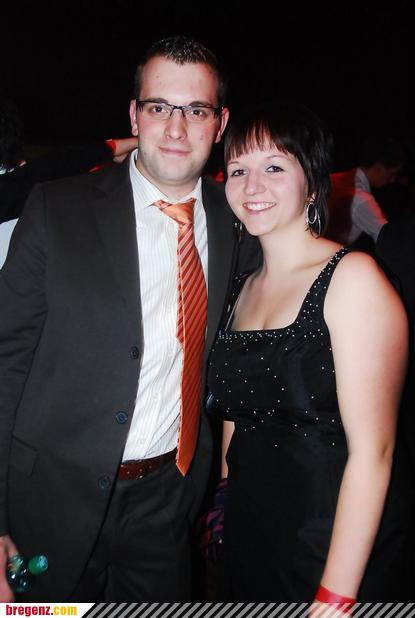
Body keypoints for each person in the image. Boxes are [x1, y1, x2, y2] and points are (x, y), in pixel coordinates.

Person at [0, 35, 256, 602]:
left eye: (196, 110)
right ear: (135, 115)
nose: (176, 128)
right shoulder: (56, 208)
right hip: (48, 499)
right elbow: (4, 363)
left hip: (169, 501)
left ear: (220, 124)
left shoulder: (239, 220)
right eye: (160, 107)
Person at [206, 102, 413, 605]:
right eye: (238, 169)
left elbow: (375, 452)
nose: (252, 186)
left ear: (313, 184)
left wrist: (335, 596)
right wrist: (222, 506)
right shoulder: (239, 287)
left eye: (274, 167)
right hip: (250, 534)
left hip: (332, 537)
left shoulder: (353, 279)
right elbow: (237, 411)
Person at [0, 96, 137, 267]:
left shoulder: (27, 184)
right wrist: (107, 149)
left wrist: (108, 149)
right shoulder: (24, 185)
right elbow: (42, 173)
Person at [324, 135, 406, 251]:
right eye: (391, 174)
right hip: (331, 255)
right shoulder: (361, 199)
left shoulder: (332, 179)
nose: (392, 180)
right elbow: (389, 242)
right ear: (378, 167)